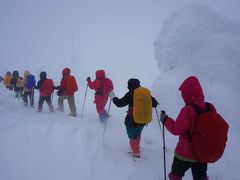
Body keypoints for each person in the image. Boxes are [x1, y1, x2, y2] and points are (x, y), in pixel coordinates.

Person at [160, 76, 213, 180]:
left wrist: (165, 120)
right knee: (201, 177)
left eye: (183, 93)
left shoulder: (188, 110)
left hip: (185, 152)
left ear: (189, 92)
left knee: (176, 175)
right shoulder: (209, 107)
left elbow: (176, 129)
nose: (182, 95)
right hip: (201, 152)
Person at [109, 78, 158, 159]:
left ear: (129, 86)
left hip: (133, 120)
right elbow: (155, 103)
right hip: (143, 121)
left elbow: (119, 104)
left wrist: (113, 97)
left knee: (132, 137)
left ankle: (136, 154)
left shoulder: (131, 93)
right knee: (137, 134)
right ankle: (136, 147)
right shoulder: (145, 93)